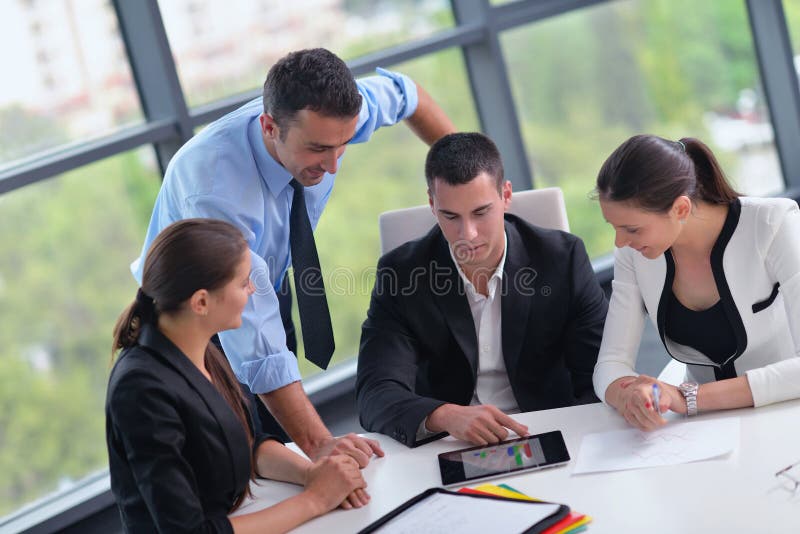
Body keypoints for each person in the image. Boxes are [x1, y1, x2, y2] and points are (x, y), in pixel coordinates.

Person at [130, 48, 455, 463]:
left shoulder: (336, 112)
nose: (333, 165)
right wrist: (321, 445)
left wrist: (465, 175)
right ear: (270, 127)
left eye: (344, 144)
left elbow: (408, 95)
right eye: (319, 149)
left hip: (264, 280)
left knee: (283, 446)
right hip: (193, 318)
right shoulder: (214, 188)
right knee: (233, 460)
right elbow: (257, 339)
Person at [107, 219, 368, 533]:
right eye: (243, 282)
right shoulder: (140, 391)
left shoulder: (200, 346)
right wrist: (314, 500)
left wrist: (312, 474)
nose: (253, 289)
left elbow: (249, 442)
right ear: (201, 302)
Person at [356, 132, 608, 447]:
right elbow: (375, 392)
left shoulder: (562, 258)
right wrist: (444, 415)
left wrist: (572, 441)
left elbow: (601, 373)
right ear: (432, 205)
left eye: (480, 213)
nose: (468, 234)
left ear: (505, 195)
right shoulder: (402, 274)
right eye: (451, 216)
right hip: (450, 444)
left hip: (551, 432)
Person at [592, 134, 800, 431]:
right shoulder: (632, 252)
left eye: (632, 229)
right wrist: (629, 395)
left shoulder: (773, 224)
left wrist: (686, 398)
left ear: (681, 209)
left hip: (783, 412)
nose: (620, 241)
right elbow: (609, 364)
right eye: (614, 227)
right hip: (701, 430)